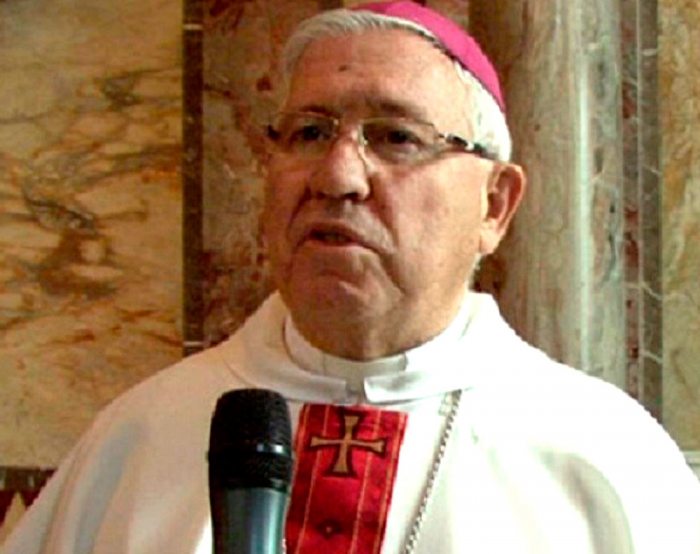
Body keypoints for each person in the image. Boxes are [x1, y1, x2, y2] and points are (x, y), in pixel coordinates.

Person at [3, 1, 700, 553]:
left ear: (494, 205)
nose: (337, 177)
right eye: (309, 133)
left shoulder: (602, 457)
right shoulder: (141, 437)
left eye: (396, 137)